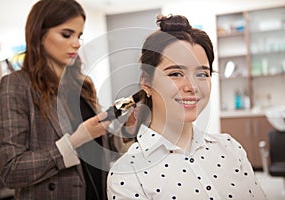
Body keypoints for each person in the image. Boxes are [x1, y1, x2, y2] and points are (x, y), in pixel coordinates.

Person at [107, 14, 267, 200]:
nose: (192, 86)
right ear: (146, 82)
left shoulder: (230, 148)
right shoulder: (127, 174)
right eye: (175, 73)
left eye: (201, 74)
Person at [0, 0, 111, 199]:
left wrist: (122, 127)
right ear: (39, 35)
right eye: (66, 34)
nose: (76, 43)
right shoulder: (16, 85)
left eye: (79, 35)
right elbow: (11, 170)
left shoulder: (83, 84)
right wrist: (73, 142)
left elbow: (99, 148)